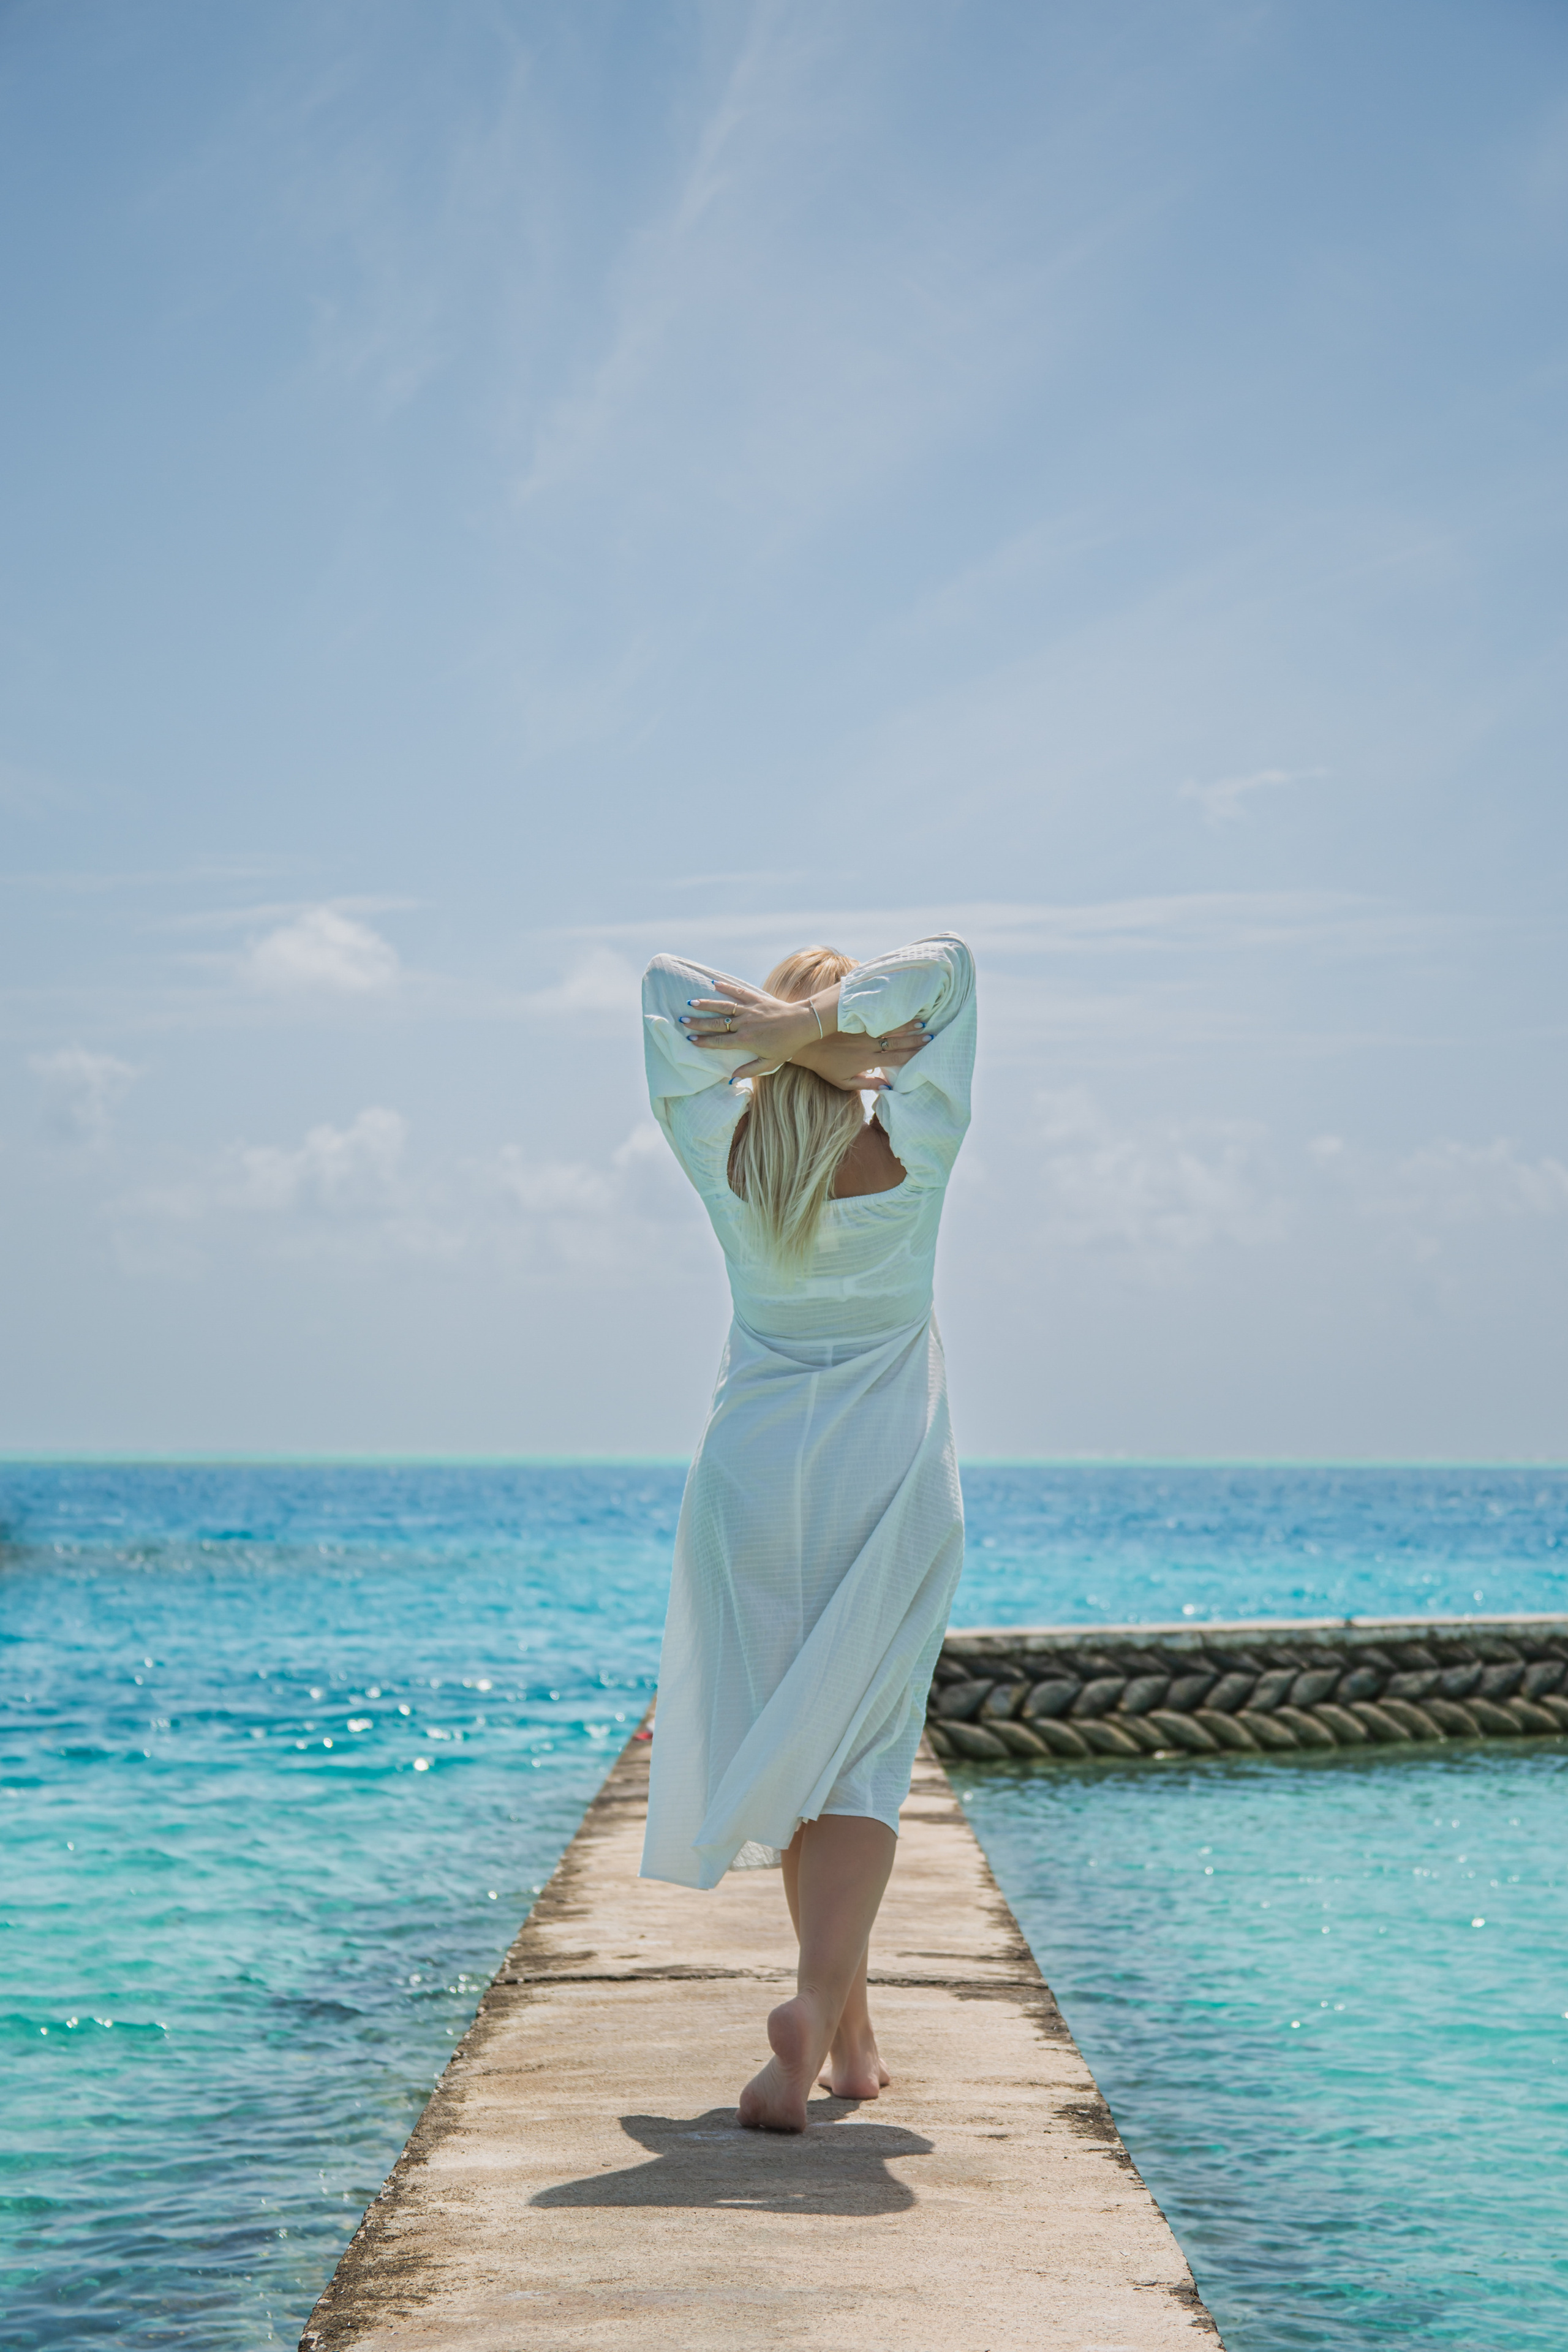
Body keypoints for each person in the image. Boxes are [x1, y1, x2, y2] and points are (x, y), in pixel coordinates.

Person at [638, 932, 976, 2133]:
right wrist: (828, 1033)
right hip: (884, 1477)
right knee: (860, 1756)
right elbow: (952, 965)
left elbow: (660, 989)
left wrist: (778, 1040)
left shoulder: (723, 1149)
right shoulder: (913, 1149)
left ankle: (848, 2044)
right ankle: (809, 2012)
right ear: (852, 1045)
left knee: (801, 1738)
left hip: (752, 1477)